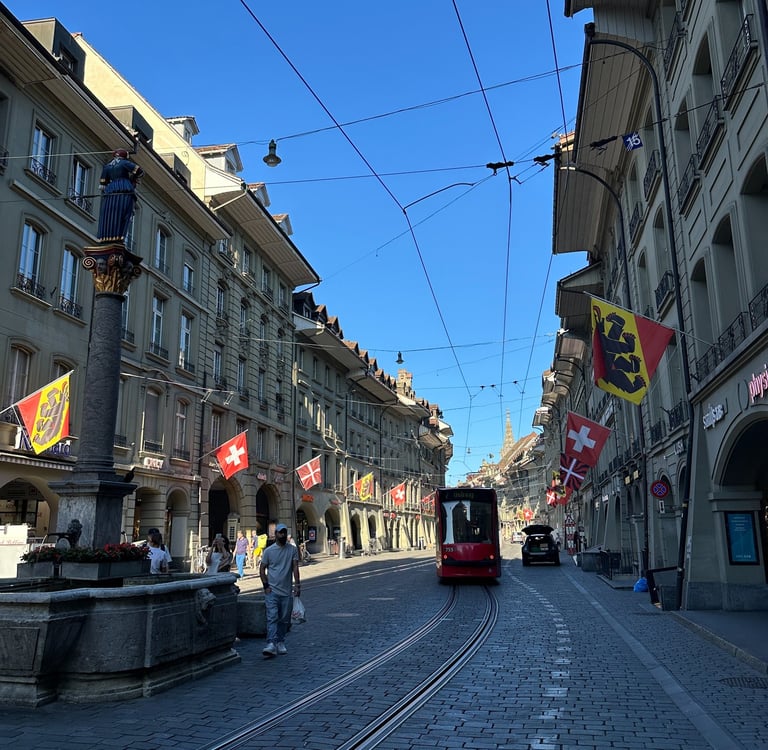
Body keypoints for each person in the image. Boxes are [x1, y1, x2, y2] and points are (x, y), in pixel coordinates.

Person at [259, 523, 300, 657]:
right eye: (280, 533)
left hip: (286, 591)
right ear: (275, 534)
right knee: (272, 617)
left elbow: (295, 567)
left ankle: (280, 641)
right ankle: (271, 643)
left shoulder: (292, 550)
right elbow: (262, 569)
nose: (282, 535)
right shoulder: (269, 551)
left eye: (284, 532)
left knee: (284, 619)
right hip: (272, 590)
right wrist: (266, 586)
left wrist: (297, 585)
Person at [97, 148, 144, 243]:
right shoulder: (124, 163)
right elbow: (139, 171)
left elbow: (102, 184)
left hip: (110, 190)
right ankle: (119, 235)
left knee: (109, 214)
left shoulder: (107, 167)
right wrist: (133, 178)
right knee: (124, 213)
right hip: (124, 187)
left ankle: (106, 236)